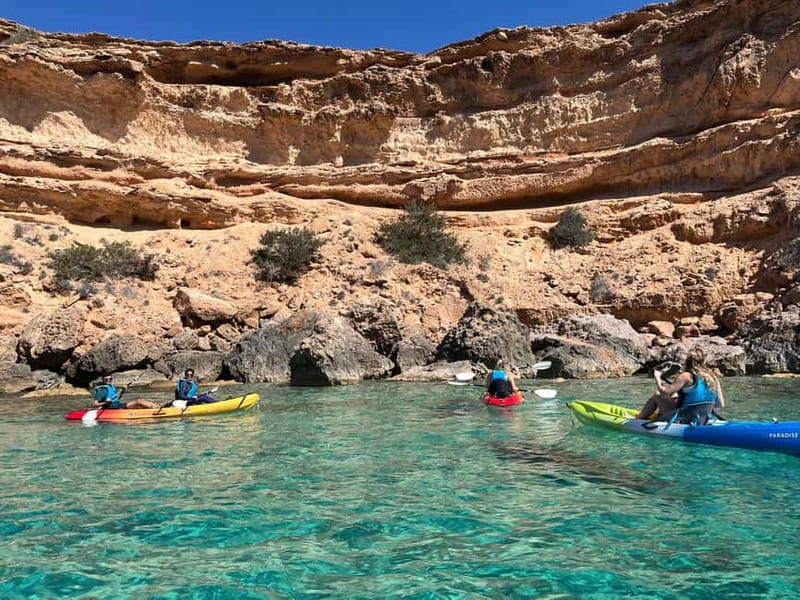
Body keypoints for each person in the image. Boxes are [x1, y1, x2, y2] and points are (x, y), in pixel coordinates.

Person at [637, 348, 725, 425]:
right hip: (704, 420)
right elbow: (720, 405)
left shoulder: (686, 376)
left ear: (688, 362)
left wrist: (657, 377)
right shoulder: (713, 377)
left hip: (685, 421)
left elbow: (664, 394)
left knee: (657, 396)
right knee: (674, 396)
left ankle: (637, 421)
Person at [92, 374, 158, 410]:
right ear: (103, 380)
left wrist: (123, 390)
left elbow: (117, 398)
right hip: (111, 408)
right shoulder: (101, 390)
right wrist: (105, 402)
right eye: (106, 379)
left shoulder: (111, 387)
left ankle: (157, 406)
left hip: (117, 405)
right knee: (138, 401)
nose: (108, 380)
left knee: (141, 402)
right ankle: (158, 408)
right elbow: (95, 404)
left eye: (110, 379)